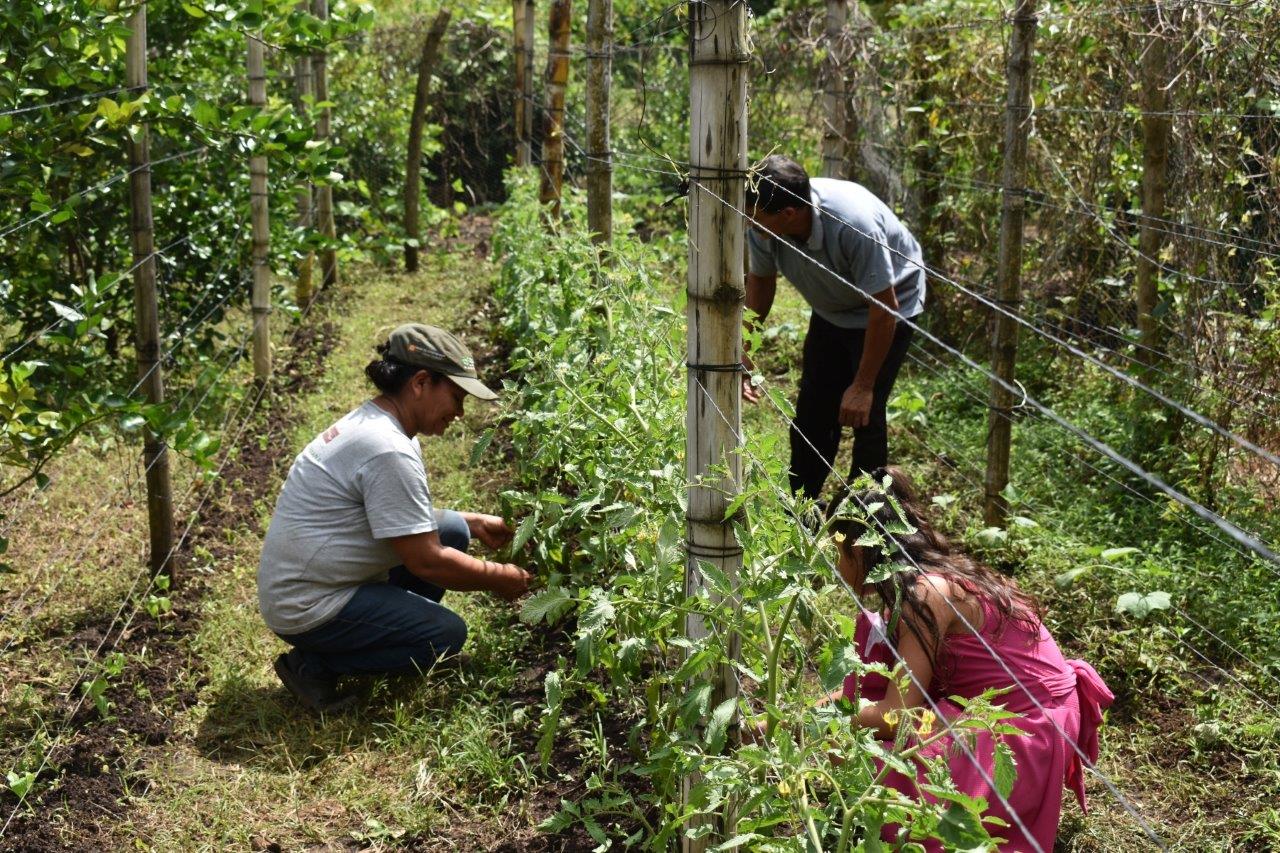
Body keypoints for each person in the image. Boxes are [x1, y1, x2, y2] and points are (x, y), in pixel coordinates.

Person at [826, 467, 1113, 851]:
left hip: (1027, 731)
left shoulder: (924, 594)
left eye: (837, 552)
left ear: (860, 550)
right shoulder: (937, 577)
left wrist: (805, 720)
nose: (834, 565)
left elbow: (895, 716)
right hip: (1035, 713)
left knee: (869, 771)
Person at [258, 323, 532, 713]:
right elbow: (425, 560)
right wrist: (499, 578)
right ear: (420, 382)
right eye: (456, 397)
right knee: (444, 636)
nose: (460, 412)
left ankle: (387, 631)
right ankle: (313, 665)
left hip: (314, 582)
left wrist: (472, 522)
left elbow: (392, 515)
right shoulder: (387, 449)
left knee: (452, 529)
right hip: (308, 605)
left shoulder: (380, 426)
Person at [743, 155, 926, 501]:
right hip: (832, 310)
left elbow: (884, 308)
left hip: (888, 307)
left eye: (755, 217)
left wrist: (863, 384)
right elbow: (762, 284)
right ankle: (803, 507)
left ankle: (865, 520)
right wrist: (745, 348)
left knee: (864, 415)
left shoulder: (852, 225)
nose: (748, 223)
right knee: (814, 409)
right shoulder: (763, 223)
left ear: (788, 215)